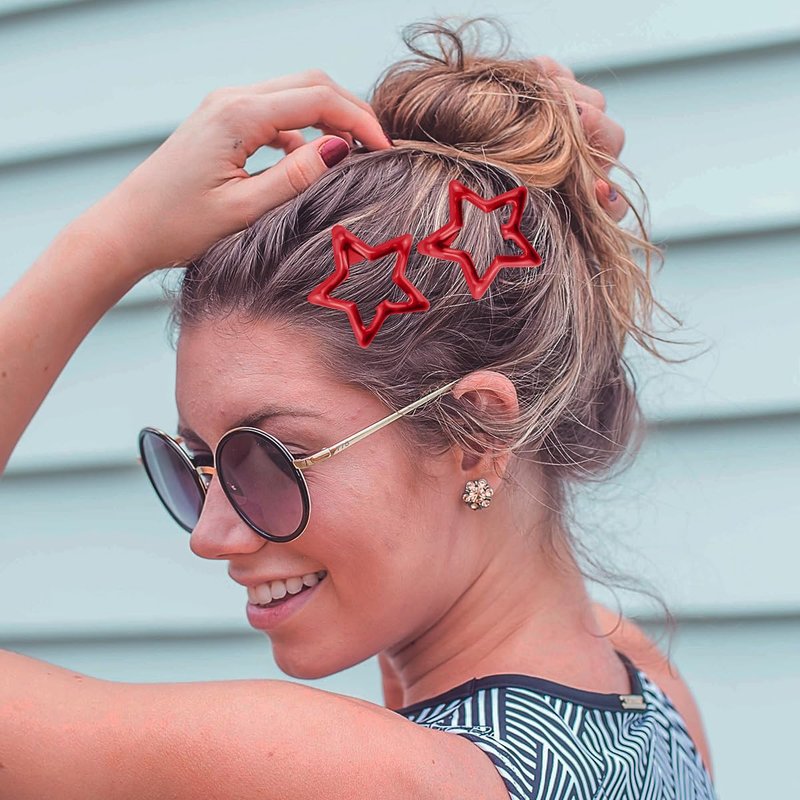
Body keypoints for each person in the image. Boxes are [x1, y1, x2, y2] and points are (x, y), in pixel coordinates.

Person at [0, 15, 717, 800]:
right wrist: (517, 189)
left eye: (267, 460)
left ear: (479, 432)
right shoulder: (648, 692)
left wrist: (110, 241)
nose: (210, 536)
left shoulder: (362, 775)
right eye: (197, 467)